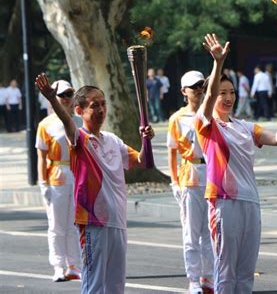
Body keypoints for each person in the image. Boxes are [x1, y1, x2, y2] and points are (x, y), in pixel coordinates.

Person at [196, 33, 277, 293]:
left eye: (231, 92)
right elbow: (208, 97)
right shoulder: (206, 124)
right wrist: (218, 62)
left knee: (245, 271)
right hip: (223, 202)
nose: (228, 97)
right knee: (225, 269)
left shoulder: (244, 127)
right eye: (222, 93)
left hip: (250, 201)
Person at [35, 73, 155, 294]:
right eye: (94, 106)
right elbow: (67, 122)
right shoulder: (79, 139)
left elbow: (143, 162)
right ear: (80, 111)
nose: (101, 110)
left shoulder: (113, 140)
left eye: (103, 104)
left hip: (117, 219)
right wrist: (53, 99)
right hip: (93, 221)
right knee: (95, 283)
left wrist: (146, 140)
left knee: (116, 284)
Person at [167, 70, 214, 294]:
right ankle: (193, 279)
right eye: (193, 86)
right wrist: (175, 182)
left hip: (213, 172)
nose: (198, 89)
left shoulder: (211, 113)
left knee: (210, 232)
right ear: (183, 91)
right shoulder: (177, 118)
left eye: (201, 85)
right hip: (191, 174)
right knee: (191, 232)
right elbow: (172, 152)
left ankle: (209, 277)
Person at [36, 80, 82, 282]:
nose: (65, 99)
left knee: (74, 223)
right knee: (56, 225)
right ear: (54, 97)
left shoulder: (80, 121)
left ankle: (73, 265)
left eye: (69, 94)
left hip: (78, 174)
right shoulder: (46, 124)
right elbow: (41, 156)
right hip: (57, 174)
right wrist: (43, 183)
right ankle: (58, 266)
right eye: (61, 95)